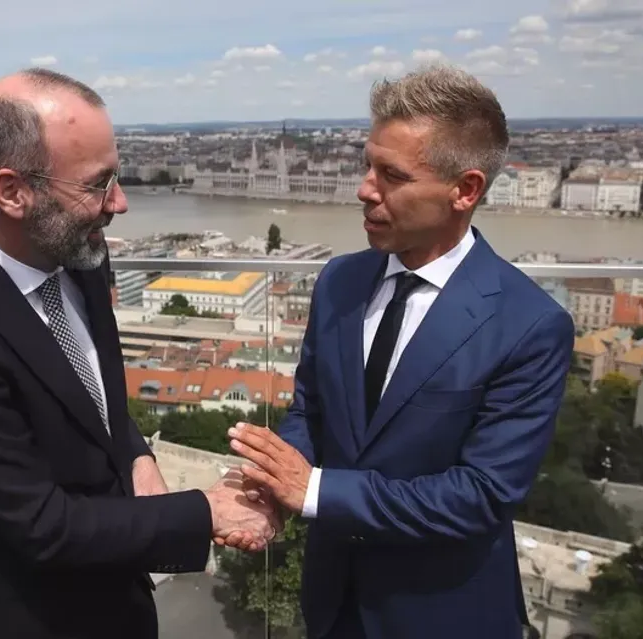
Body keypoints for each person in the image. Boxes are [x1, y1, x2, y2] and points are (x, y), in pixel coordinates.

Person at [0, 68, 278, 639]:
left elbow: (91, 398)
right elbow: (39, 524)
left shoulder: (78, 255)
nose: (120, 202)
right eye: (97, 184)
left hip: (117, 602)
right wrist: (208, 511)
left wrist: (136, 455)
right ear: (12, 192)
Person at [227, 64, 575, 639]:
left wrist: (313, 491)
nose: (365, 189)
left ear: (465, 190)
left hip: (442, 615)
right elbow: (313, 411)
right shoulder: (339, 281)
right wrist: (270, 493)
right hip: (332, 602)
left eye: (391, 175)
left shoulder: (531, 325)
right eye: (368, 165)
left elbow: (481, 496)